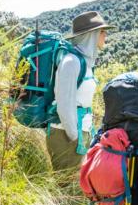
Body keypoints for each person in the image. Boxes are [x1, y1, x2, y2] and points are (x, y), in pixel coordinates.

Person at [46, 11, 113, 171]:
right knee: (66, 189)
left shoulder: (84, 62)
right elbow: (63, 104)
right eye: (103, 32)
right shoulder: (71, 62)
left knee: (74, 189)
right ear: (92, 34)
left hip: (78, 133)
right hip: (66, 135)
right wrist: (74, 137)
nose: (106, 36)